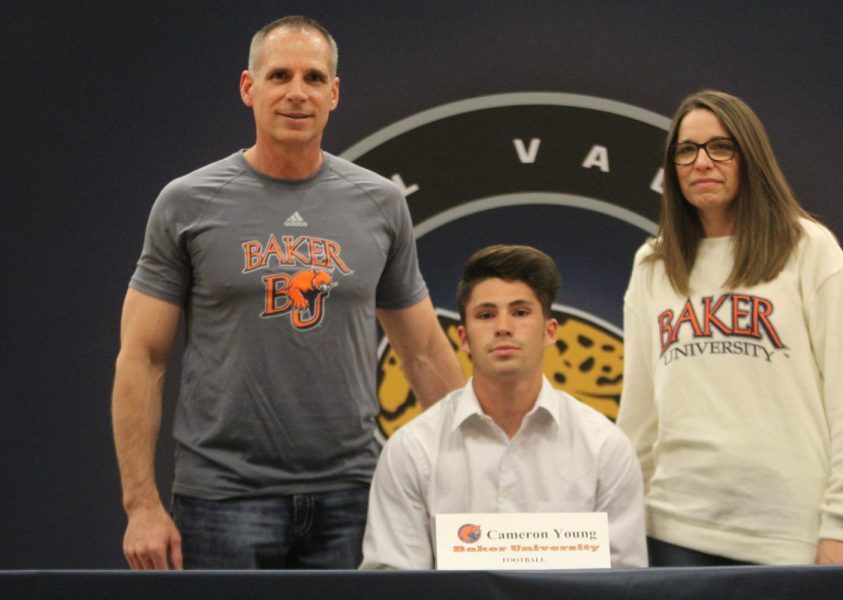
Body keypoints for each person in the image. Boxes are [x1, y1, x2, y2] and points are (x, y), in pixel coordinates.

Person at [111, 15, 464, 570]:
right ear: (249, 87)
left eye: (314, 78)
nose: (297, 93)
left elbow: (421, 352)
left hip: (353, 496)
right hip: (223, 499)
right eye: (279, 76)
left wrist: (463, 483)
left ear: (335, 93)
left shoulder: (380, 203)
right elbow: (143, 357)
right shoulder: (187, 202)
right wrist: (141, 505)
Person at [617, 90, 843, 566]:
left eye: (721, 147)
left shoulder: (807, 249)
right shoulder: (652, 265)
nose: (702, 162)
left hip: (786, 534)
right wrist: (622, 523)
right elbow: (638, 414)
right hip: (674, 529)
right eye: (686, 150)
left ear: (749, 156)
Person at [360, 245, 648, 569]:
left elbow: (625, 583)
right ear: (463, 338)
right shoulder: (412, 450)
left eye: (521, 312)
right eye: (485, 315)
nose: (503, 327)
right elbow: (395, 585)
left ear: (549, 331)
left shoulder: (605, 448)